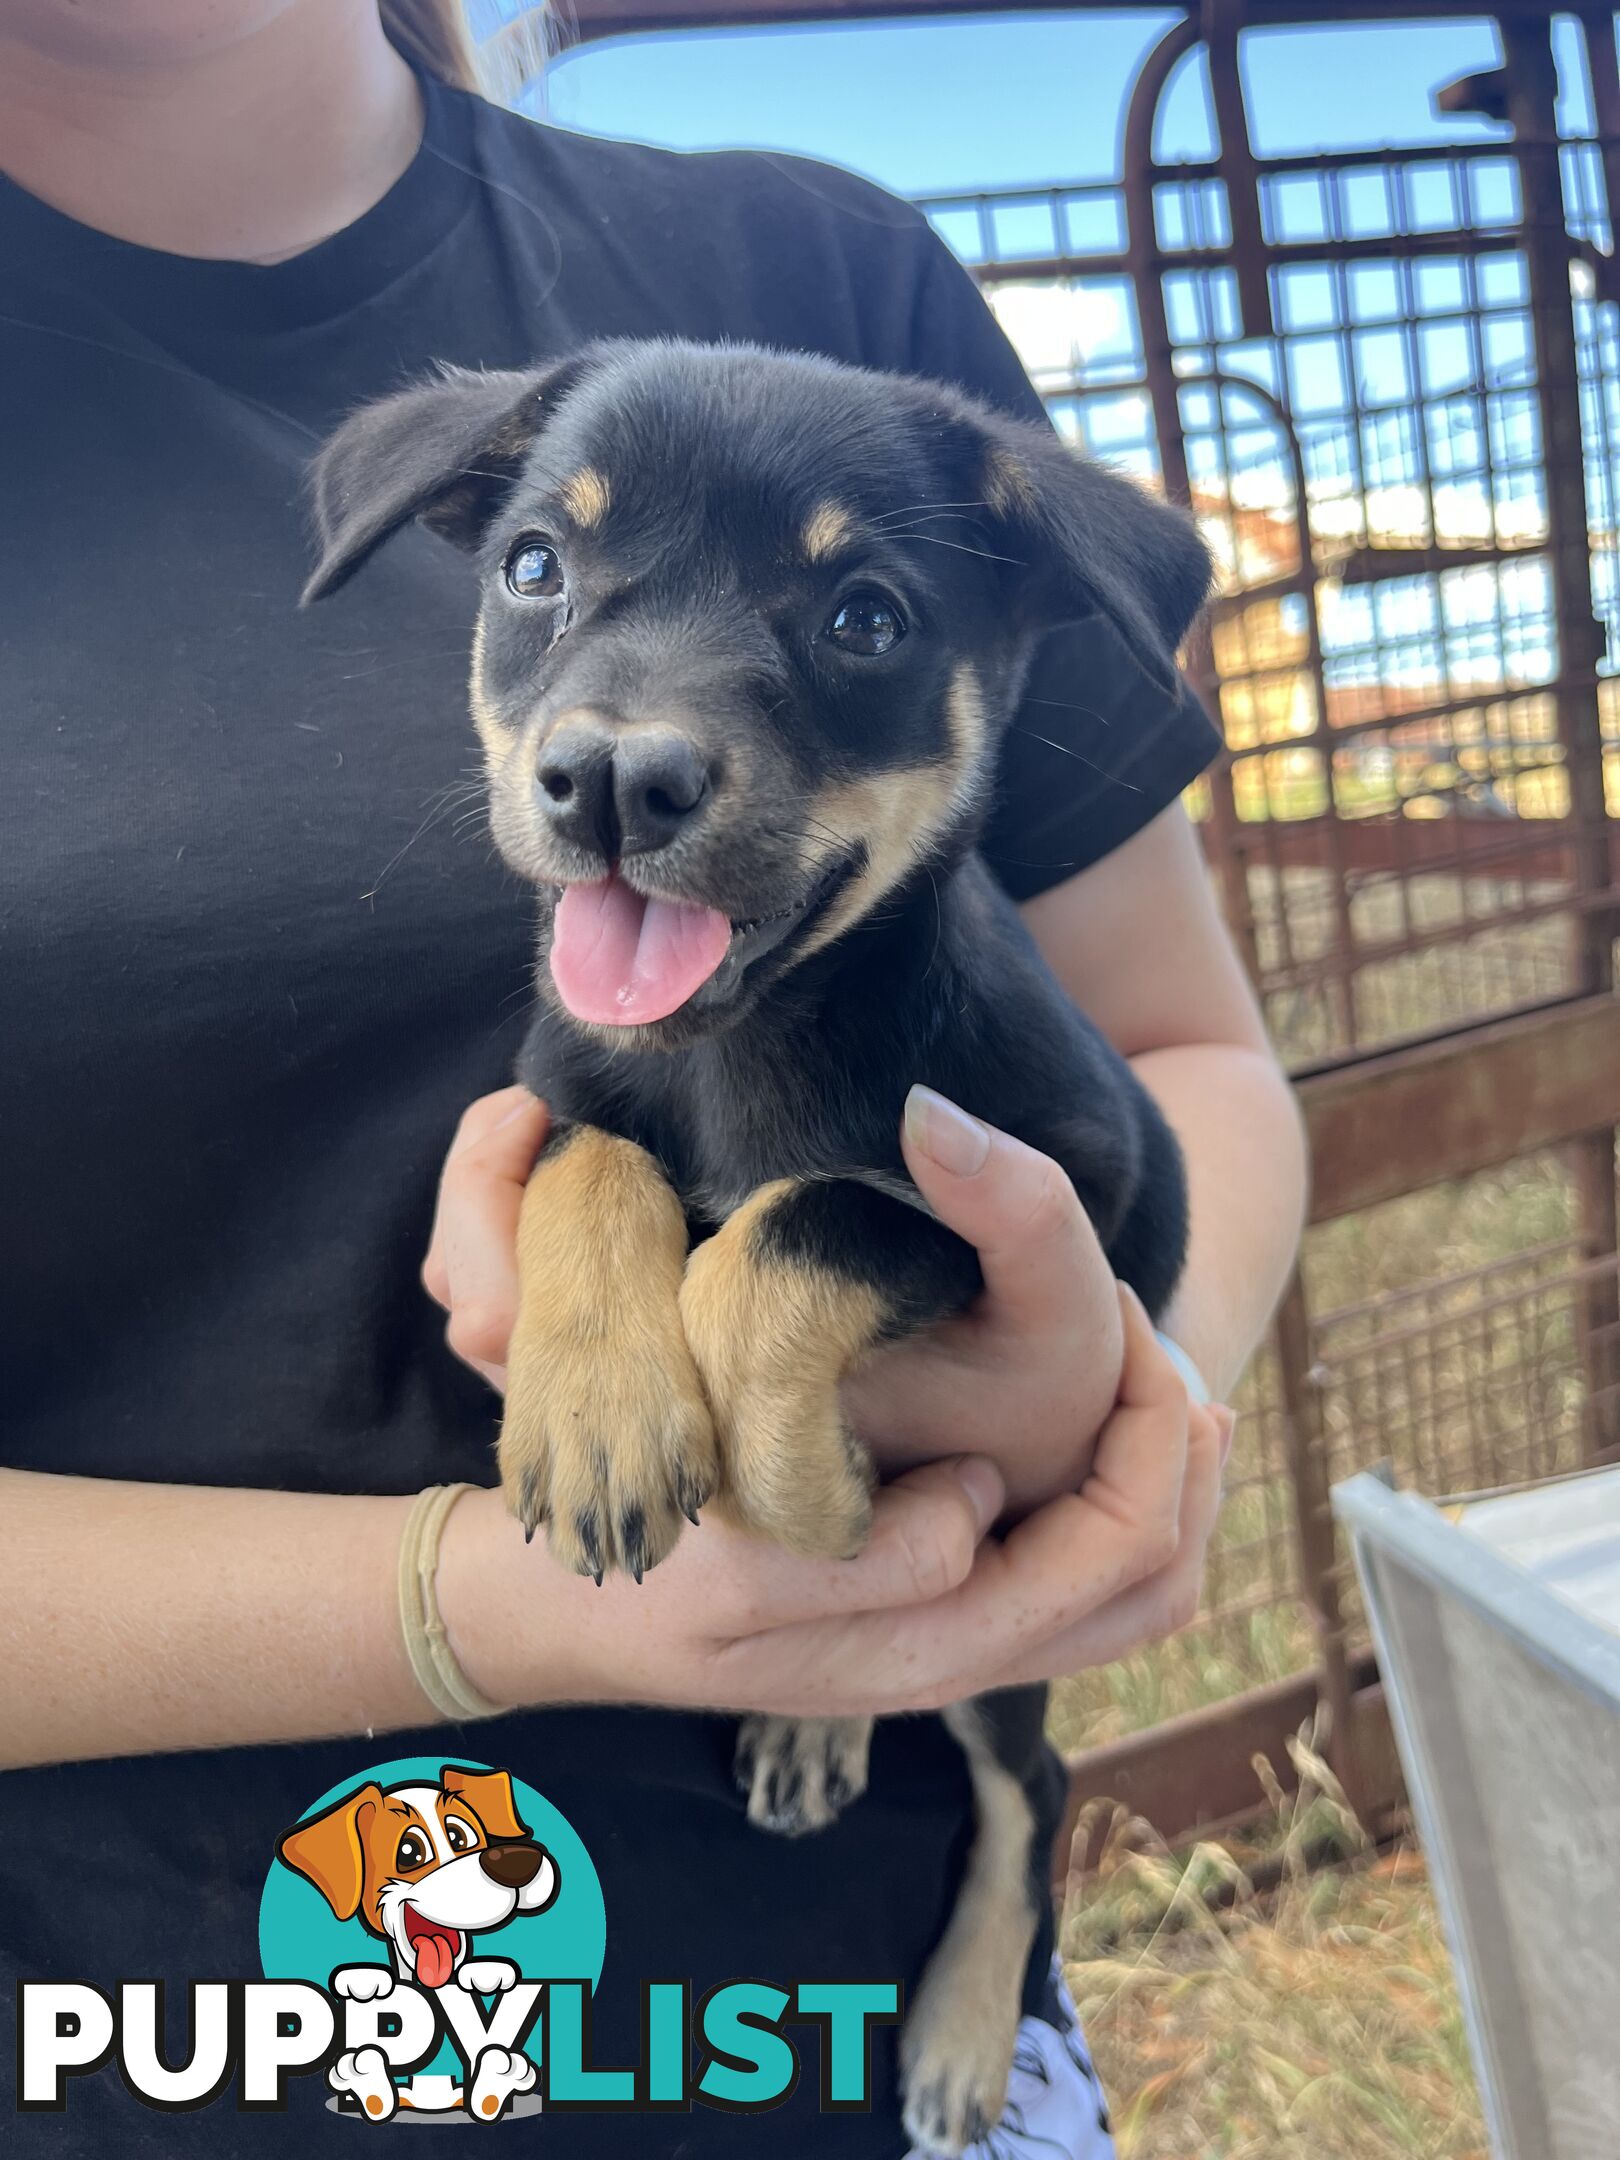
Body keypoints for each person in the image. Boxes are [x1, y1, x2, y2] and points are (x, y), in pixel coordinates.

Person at [0, 3, 1306, 2153]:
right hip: (133, 2053)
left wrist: (1122, 1417)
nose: (627, 733)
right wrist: (496, 1603)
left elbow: (1174, 1064)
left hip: (836, 2030)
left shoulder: (824, 280)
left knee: (993, 1738)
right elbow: (587, 1151)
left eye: (857, 619)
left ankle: (1006, 1871)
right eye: (548, 568)